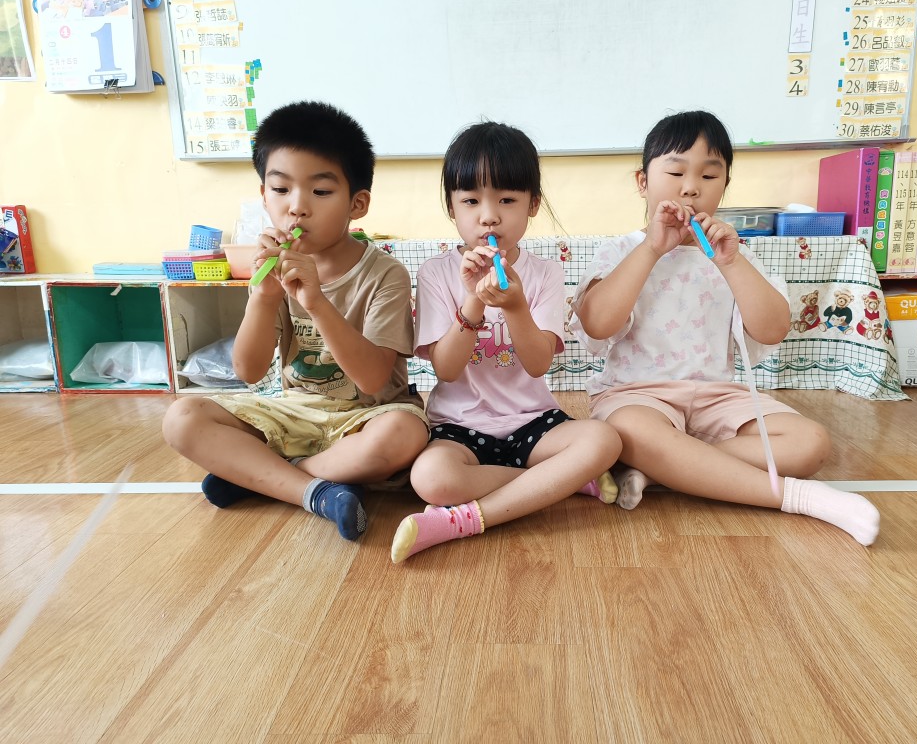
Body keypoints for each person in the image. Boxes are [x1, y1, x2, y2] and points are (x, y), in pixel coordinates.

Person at [569, 110, 879, 546]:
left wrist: (730, 264)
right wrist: (652, 250)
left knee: (810, 442)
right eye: (675, 171)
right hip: (637, 396)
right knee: (631, 431)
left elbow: (772, 330)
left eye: (709, 175)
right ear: (643, 182)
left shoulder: (735, 253)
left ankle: (660, 470)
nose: (691, 187)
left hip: (718, 397)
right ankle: (797, 497)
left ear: (725, 184)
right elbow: (598, 324)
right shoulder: (621, 250)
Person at [163, 101, 429, 541]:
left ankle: (266, 477)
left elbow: (372, 379)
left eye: (320, 192)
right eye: (281, 189)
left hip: (366, 416)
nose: (297, 208)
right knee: (182, 417)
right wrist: (264, 298)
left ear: (357, 203)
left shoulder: (386, 274)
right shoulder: (270, 271)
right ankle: (318, 491)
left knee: (405, 433)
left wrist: (317, 301)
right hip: (292, 413)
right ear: (263, 195)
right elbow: (248, 371)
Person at [390, 122, 622, 563]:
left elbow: (537, 365)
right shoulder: (436, 273)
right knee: (431, 478)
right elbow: (446, 370)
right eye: (471, 201)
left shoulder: (545, 273)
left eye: (507, 200)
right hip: (460, 426)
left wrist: (515, 307)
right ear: (451, 207)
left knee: (604, 441)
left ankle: (464, 518)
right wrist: (474, 301)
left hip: (533, 421)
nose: (489, 216)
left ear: (533, 204)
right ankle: (558, 482)